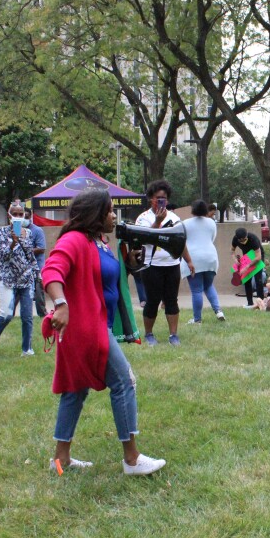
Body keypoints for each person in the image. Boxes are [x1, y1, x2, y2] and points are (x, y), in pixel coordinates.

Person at [42, 189, 166, 476]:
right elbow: (51, 271)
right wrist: (60, 303)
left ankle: (60, 460)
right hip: (86, 327)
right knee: (125, 382)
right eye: (109, 210)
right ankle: (132, 460)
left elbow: (107, 276)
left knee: (75, 390)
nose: (114, 215)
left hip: (94, 325)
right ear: (94, 214)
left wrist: (132, 263)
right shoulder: (73, 240)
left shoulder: (98, 241)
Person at [135, 180, 194, 346]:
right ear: (150, 199)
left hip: (172, 265)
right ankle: (148, 334)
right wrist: (157, 222)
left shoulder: (174, 218)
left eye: (164, 198)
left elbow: (180, 241)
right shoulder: (143, 218)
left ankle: (173, 335)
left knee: (171, 300)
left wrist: (189, 260)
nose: (161, 201)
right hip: (151, 266)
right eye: (158, 198)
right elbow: (145, 238)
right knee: (152, 301)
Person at [0, 202, 37, 357]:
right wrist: (13, 242)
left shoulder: (28, 233)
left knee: (27, 316)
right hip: (7, 278)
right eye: (16, 214)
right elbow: (3, 256)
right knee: (6, 314)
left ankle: (27, 349)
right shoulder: (1, 232)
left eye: (21, 214)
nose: (18, 217)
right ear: (9, 215)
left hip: (26, 278)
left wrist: (37, 273)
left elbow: (31, 256)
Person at [182, 200, 225, 324]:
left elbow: (182, 241)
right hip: (210, 257)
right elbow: (212, 238)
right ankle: (218, 311)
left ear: (193, 210)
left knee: (196, 290)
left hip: (193, 258)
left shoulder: (185, 223)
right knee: (208, 285)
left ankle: (197, 319)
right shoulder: (211, 223)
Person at [231, 226, 265, 309]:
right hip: (246, 258)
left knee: (258, 280)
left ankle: (261, 303)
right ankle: (250, 303)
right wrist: (235, 259)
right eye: (241, 241)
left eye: (244, 240)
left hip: (257, 257)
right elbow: (232, 251)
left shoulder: (253, 239)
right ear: (237, 238)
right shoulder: (235, 239)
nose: (243, 242)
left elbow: (258, 257)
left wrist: (247, 267)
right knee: (247, 280)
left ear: (247, 236)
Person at [25, 207, 48, 317]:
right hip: (22, 267)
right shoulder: (17, 230)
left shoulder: (37, 230)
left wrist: (25, 250)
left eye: (26, 217)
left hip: (37, 266)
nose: (23, 219)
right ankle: (8, 313)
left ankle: (42, 313)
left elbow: (41, 248)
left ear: (30, 217)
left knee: (38, 291)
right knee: (17, 294)